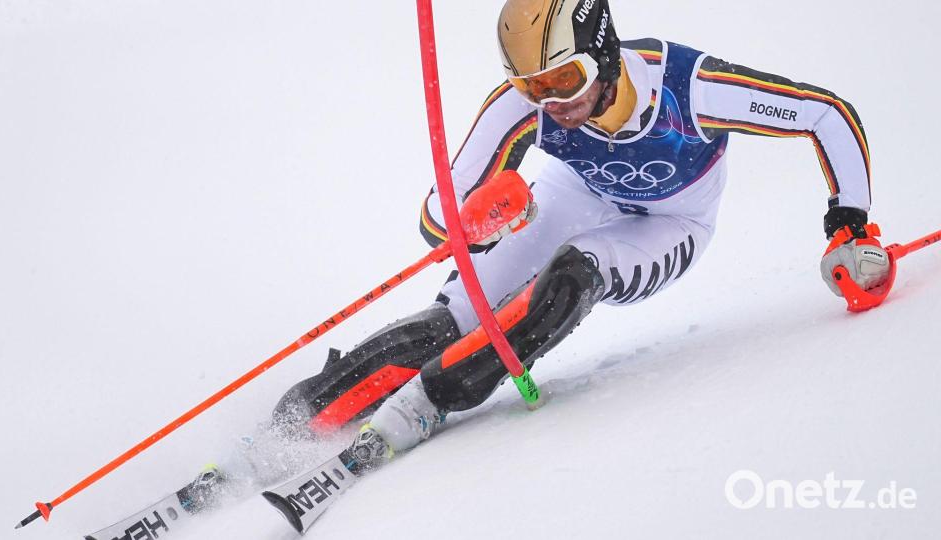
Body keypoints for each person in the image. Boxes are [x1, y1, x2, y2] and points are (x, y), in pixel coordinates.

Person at [272, 0, 891, 472]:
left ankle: (428, 401)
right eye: (530, 85)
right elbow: (438, 216)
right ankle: (292, 423)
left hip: (672, 223)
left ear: (605, 55)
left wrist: (849, 226)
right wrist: (475, 219)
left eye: (562, 79)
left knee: (573, 273)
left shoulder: (689, 89)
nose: (550, 101)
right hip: (576, 194)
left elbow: (823, 113)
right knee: (457, 314)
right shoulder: (527, 108)